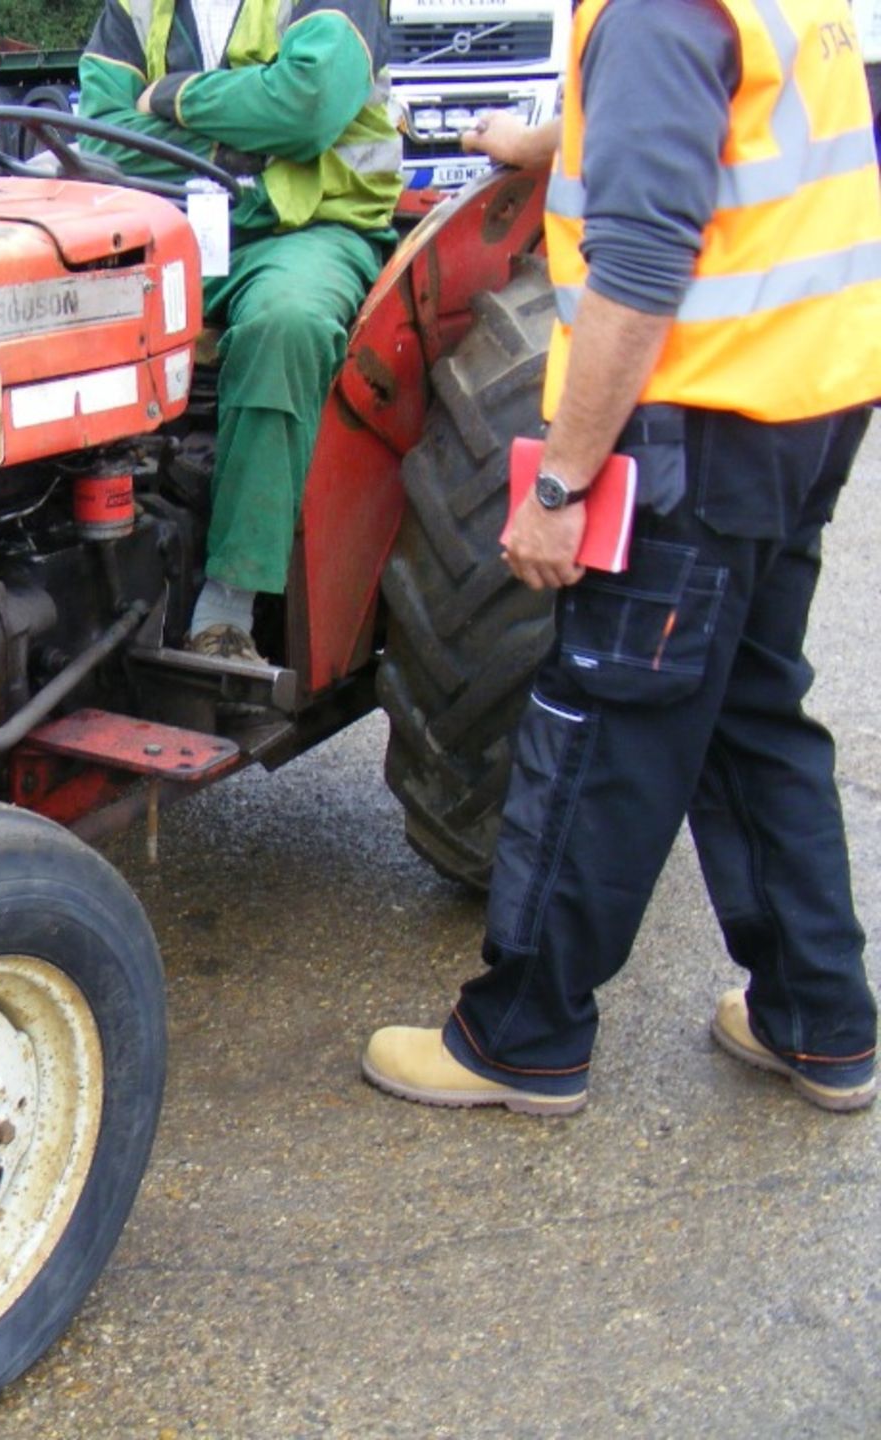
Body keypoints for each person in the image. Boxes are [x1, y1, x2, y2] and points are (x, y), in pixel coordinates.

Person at [363, 0, 881, 1115]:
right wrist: (550, 142)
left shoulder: (653, 10)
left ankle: (522, 1035)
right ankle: (820, 1021)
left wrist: (561, 482)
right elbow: (721, 128)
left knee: (605, 721)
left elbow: (642, 263)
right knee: (750, 708)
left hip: (698, 418)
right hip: (807, 394)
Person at [77, 0, 401, 663]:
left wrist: (166, 97)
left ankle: (228, 608)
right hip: (173, 231)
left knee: (286, 324)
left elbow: (305, 108)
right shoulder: (136, 8)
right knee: (60, 311)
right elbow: (104, 138)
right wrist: (238, 145)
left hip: (309, 230)